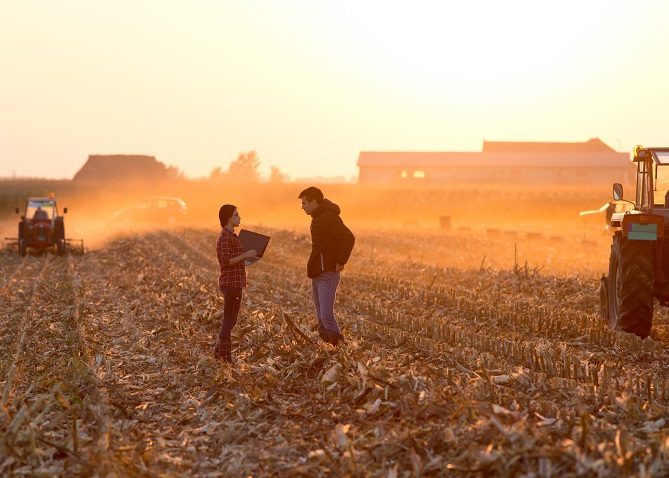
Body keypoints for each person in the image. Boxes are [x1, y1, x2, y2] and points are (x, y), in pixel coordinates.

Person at [298, 187, 355, 346]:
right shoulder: (318, 217)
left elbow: (348, 238)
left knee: (326, 316)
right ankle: (331, 347)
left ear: (314, 202)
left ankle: (340, 347)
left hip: (327, 273)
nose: (302, 207)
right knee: (321, 317)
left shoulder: (329, 217)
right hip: (318, 272)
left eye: (304, 203)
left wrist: (340, 261)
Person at [214, 204, 257, 363]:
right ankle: (225, 357)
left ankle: (219, 350)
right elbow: (226, 261)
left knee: (231, 320)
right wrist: (246, 254)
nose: (240, 217)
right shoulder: (225, 237)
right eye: (236, 215)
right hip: (231, 283)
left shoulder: (232, 236)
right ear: (228, 218)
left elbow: (236, 259)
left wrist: (249, 257)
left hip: (235, 282)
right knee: (228, 321)